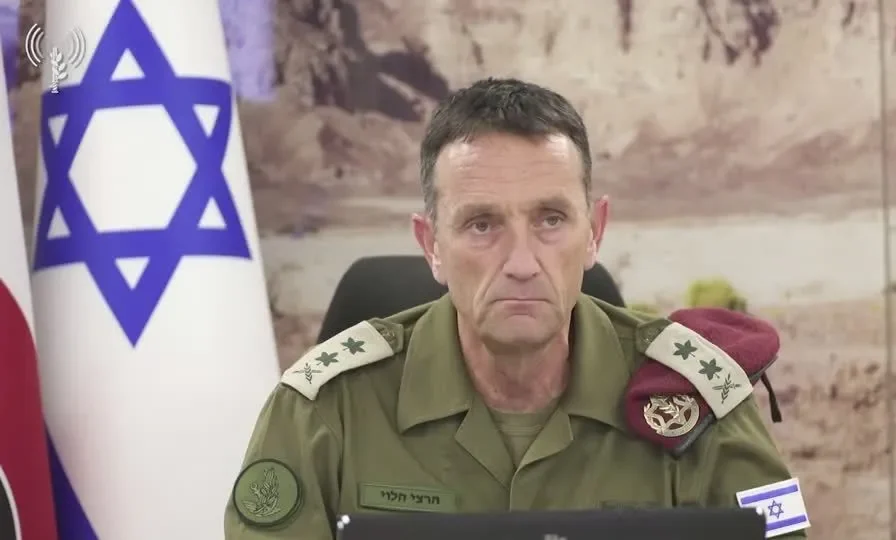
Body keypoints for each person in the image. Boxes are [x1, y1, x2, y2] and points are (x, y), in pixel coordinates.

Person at [224, 78, 808, 539]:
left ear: (594, 231)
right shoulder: (325, 412)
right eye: (482, 224)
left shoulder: (699, 400)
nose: (522, 262)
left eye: (550, 219)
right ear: (431, 245)